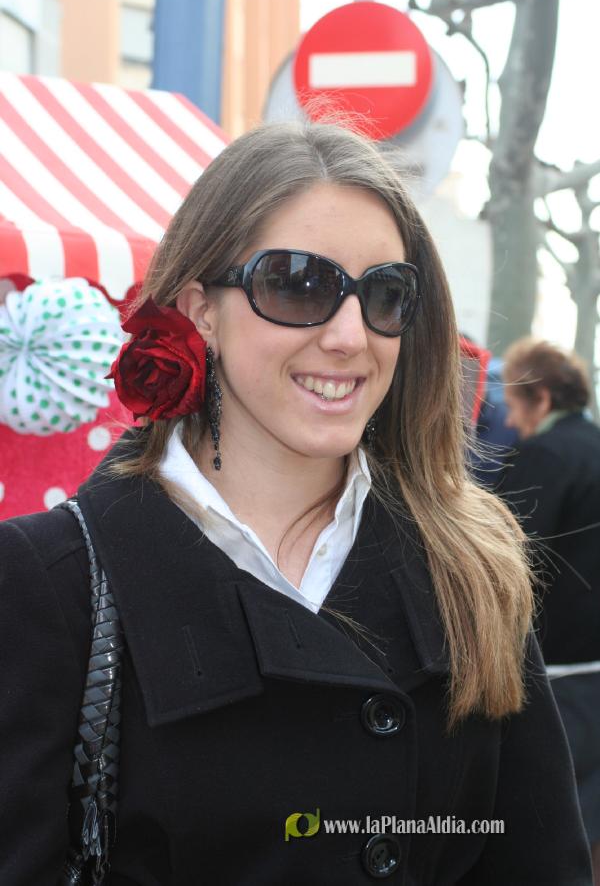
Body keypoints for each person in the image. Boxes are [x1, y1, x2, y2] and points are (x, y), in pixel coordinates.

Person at [0, 122, 592, 885]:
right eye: (297, 284)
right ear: (201, 309)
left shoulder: (471, 563)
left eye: (385, 294)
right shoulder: (50, 580)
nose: (350, 335)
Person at [498, 337, 600, 883]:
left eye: (515, 405)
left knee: (549, 828)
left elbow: (508, 561)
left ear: (540, 397)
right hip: (594, 666)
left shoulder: (546, 456)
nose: (509, 422)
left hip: (558, 672)